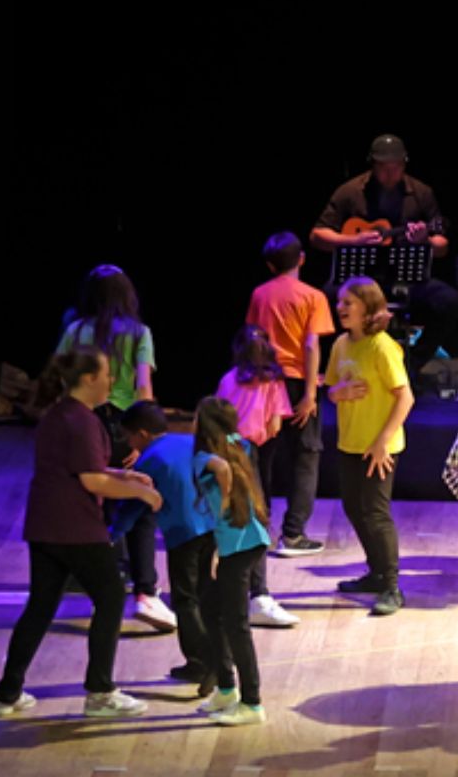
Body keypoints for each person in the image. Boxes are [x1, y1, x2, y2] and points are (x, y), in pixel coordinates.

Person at [0, 349, 158, 719]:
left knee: (41, 605)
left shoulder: (58, 414)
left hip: (45, 524)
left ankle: (6, 693)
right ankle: (100, 692)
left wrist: (126, 476)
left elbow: (83, 469)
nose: (112, 381)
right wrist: (141, 492)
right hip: (74, 527)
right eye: (108, 374)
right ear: (89, 379)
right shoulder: (81, 421)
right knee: (111, 597)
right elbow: (91, 480)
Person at [57, 264, 173, 633]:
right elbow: (143, 388)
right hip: (127, 426)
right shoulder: (140, 332)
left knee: (96, 505)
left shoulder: (75, 330)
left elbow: (61, 381)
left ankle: (104, 588)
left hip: (84, 422)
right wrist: (147, 436)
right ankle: (145, 593)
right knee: (140, 500)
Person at [309, 134, 458, 375]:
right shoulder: (350, 191)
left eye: (396, 167)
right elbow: (317, 235)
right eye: (384, 168)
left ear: (404, 164)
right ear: (373, 165)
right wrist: (353, 240)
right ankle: (338, 367)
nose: (390, 174)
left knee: (450, 301)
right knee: (321, 300)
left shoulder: (421, 193)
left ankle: (410, 366)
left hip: (405, 279)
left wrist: (425, 240)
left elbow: (442, 245)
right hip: (357, 281)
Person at [116, 401, 219, 695]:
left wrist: (114, 533)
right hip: (211, 527)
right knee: (204, 596)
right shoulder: (191, 442)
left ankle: (205, 661)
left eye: (130, 437)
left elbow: (135, 503)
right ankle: (206, 659)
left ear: (143, 434)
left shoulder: (148, 460)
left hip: (182, 533)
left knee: (184, 600)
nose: (129, 444)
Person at [327, 277, 414, 616]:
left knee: (376, 514)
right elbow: (331, 388)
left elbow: (405, 397)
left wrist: (382, 443)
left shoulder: (382, 346)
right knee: (352, 508)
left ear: (368, 308)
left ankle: (392, 585)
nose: (340, 309)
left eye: (348, 303)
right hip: (350, 441)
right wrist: (337, 394)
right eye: (339, 303)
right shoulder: (340, 345)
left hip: (380, 445)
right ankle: (376, 572)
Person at [245, 231, 335, 557]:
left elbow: (253, 341)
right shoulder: (313, 296)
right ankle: (293, 536)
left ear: (270, 265)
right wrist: (310, 391)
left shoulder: (259, 294)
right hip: (298, 381)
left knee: (262, 456)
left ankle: (260, 527)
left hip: (265, 381)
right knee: (306, 456)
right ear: (302, 259)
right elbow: (311, 344)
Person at [192, 397, 273, 726]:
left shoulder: (202, 458)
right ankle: (226, 688)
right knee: (211, 610)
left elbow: (221, 469)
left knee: (236, 624)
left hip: (237, 545)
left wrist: (224, 500)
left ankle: (252, 703)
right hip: (246, 541)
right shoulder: (241, 445)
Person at [214, 324, 301, 628]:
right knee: (258, 518)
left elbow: (217, 419)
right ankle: (258, 595)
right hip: (255, 453)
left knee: (232, 517)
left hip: (227, 452)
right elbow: (276, 426)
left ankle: (233, 592)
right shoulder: (273, 382)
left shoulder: (227, 380)